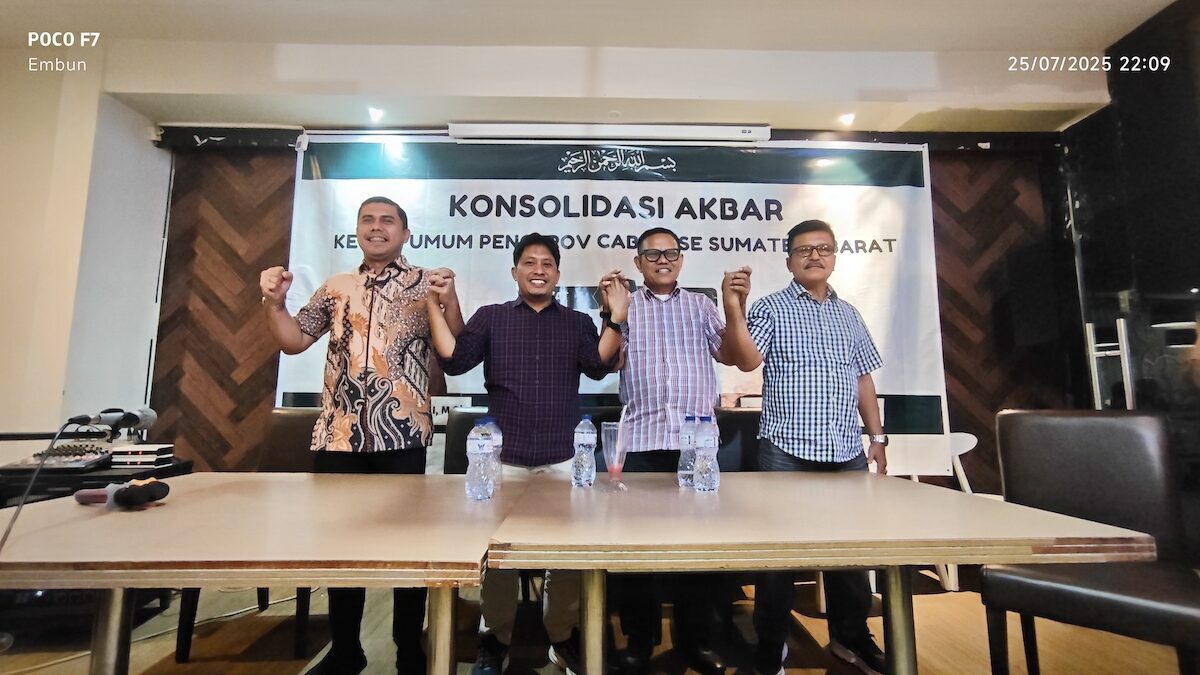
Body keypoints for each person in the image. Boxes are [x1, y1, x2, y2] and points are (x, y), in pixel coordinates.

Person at [259, 196, 464, 675]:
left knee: (408, 550)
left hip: (402, 436)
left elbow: (455, 348)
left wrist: (450, 301)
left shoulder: (426, 284)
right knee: (341, 550)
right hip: (338, 438)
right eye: (367, 220)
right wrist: (275, 303)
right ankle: (346, 649)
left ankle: (408, 648)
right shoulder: (336, 287)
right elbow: (293, 341)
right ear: (356, 230)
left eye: (387, 221)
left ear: (406, 234)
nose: (376, 227)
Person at [427, 232, 617, 675]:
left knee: (567, 556)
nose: (538, 270)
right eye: (529, 262)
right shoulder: (491, 318)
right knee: (498, 557)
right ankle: (495, 640)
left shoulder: (577, 322)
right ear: (514, 272)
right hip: (503, 459)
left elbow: (598, 366)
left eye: (547, 263)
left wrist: (615, 318)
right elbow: (454, 359)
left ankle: (562, 636)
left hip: (562, 457)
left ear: (557, 274)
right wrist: (433, 304)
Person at [722, 219, 888, 675]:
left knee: (850, 554)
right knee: (779, 557)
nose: (815, 256)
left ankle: (850, 636)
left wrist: (877, 438)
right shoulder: (772, 307)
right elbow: (747, 360)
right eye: (804, 250)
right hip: (786, 451)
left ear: (834, 257)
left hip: (846, 450)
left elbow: (863, 378)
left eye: (824, 249)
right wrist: (735, 308)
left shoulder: (849, 314)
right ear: (789, 260)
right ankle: (770, 645)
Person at [596, 226, 750, 674]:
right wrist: (611, 314)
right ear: (638, 262)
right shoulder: (626, 305)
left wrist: (734, 305)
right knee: (637, 553)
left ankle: (695, 641)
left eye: (671, 253)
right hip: (641, 444)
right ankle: (639, 641)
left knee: (696, 551)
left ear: (681, 260)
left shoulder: (701, 306)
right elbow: (607, 362)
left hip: (694, 446)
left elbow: (732, 356)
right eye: (652, 254)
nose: (663, 260)